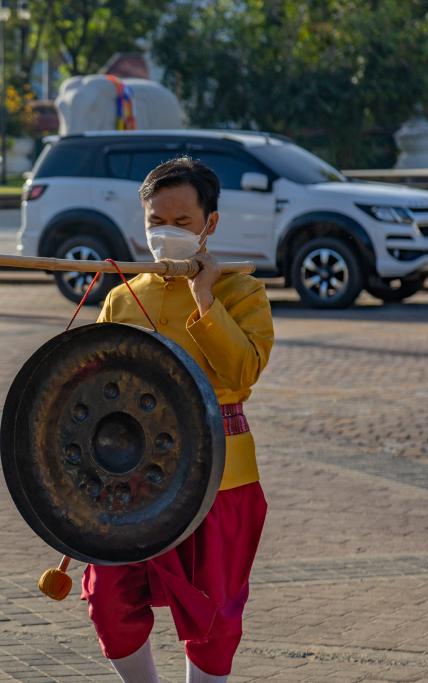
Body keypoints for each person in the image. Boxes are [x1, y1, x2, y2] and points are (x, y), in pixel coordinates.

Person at [84, 157, 274, 683]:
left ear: (210, 223)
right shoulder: (122, 295)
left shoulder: (242, 292)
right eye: (156, 222)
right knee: (109, 599)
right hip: (128, 477)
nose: (165, 232)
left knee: (213, 612)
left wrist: (204, 298)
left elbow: (242, 373)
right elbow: (94, 387)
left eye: (181, 222)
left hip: (219, 475)